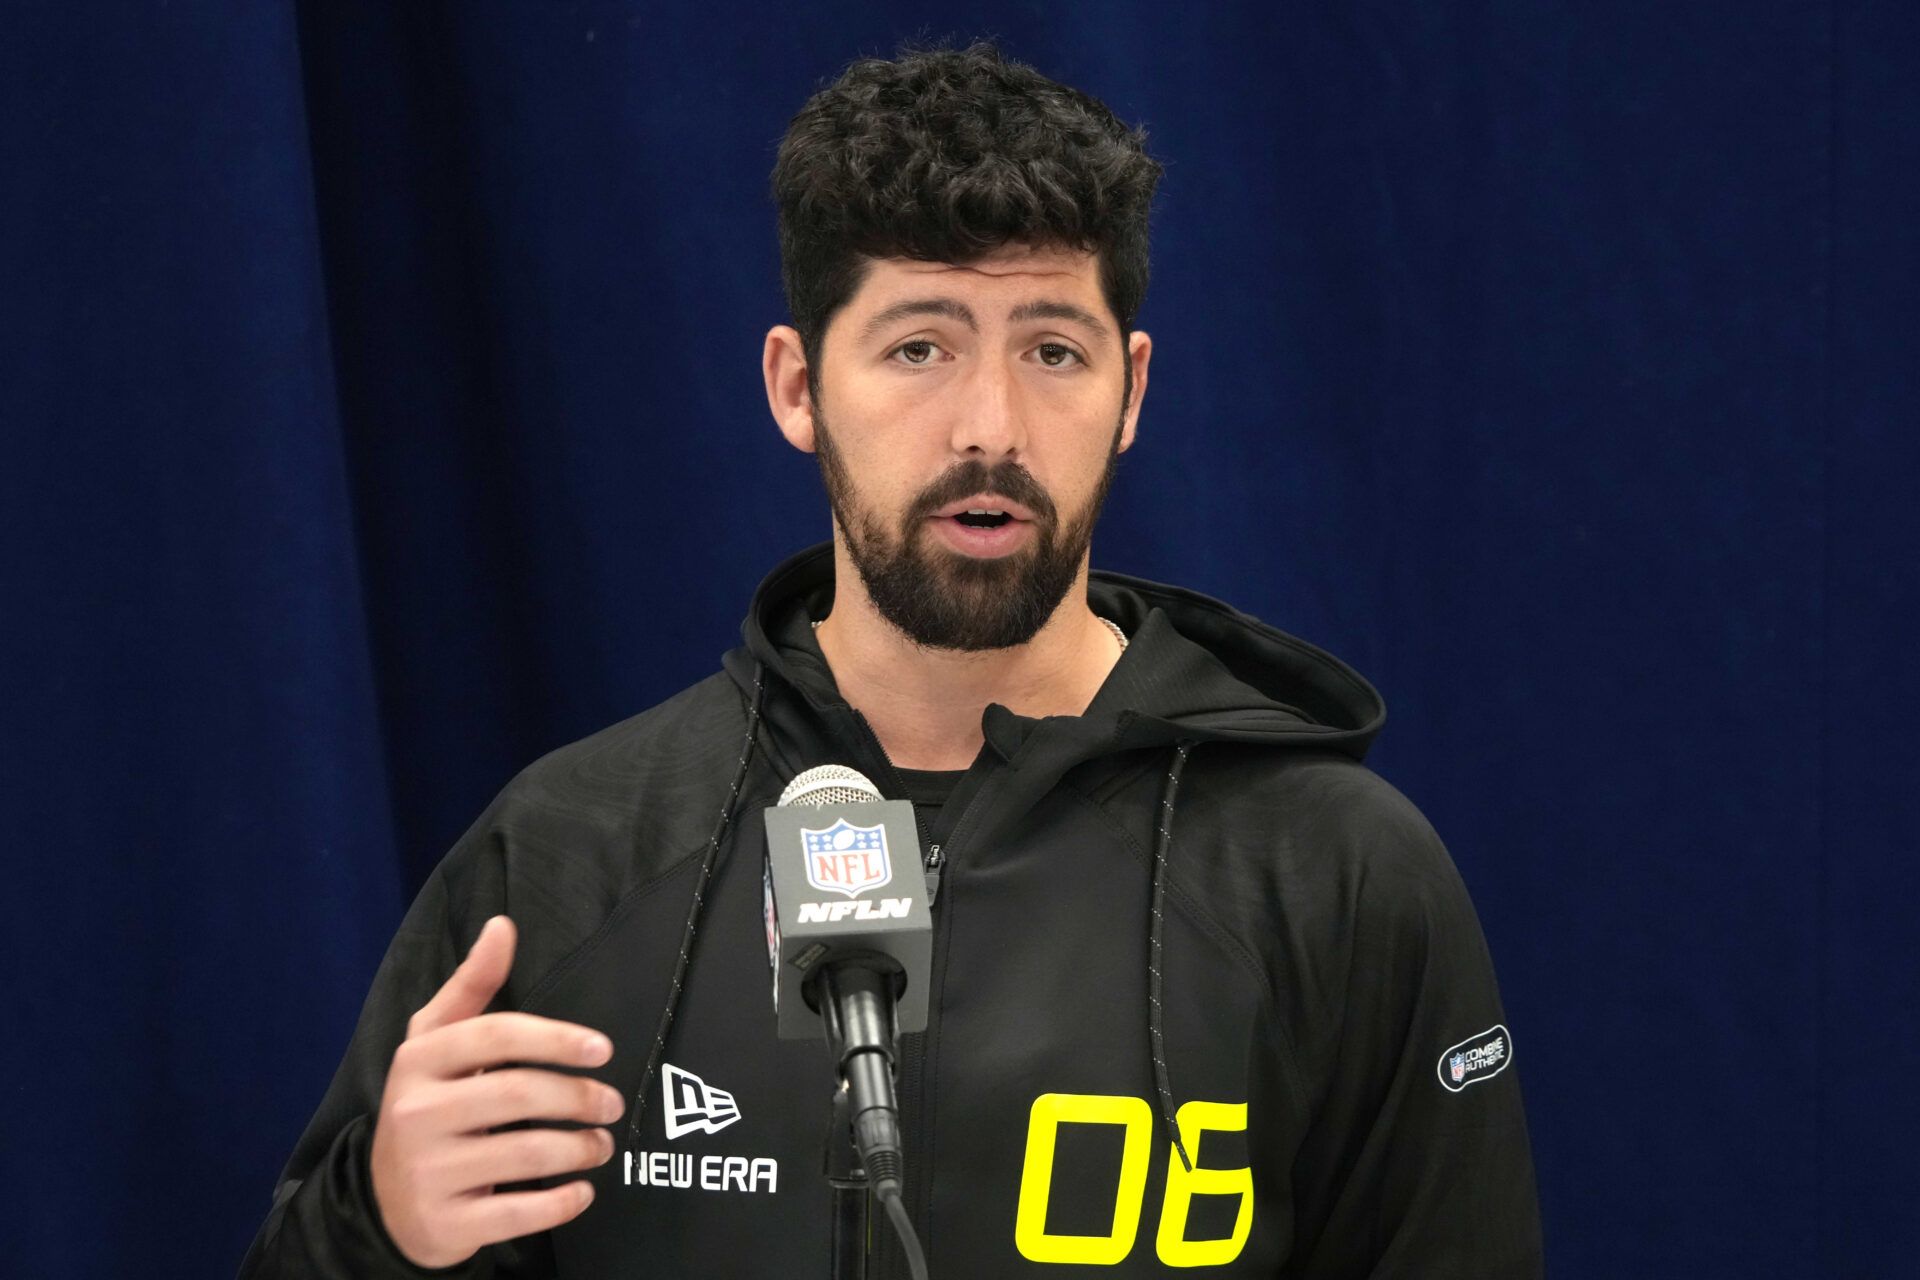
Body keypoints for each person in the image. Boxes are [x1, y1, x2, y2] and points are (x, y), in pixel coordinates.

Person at [239, 40, 1542, 1278]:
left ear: (1132, 393)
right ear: (797, 386)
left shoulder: (1333, 871)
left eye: (1053, 351)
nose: (991, 426)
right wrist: (379, 1225)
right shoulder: (571, 855)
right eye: (920, 347)